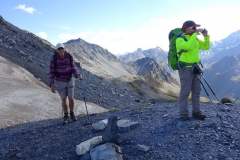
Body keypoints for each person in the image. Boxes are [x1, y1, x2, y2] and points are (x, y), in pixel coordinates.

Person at [176, 20, 210, 120]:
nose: (196, 29)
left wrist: (206, 36)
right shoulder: (180, 39)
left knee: (196, 90)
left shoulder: (194, 38)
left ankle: (196, 112)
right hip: (185, 68)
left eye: (196, 28)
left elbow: (206, 47)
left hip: (196, 68)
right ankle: (184, 113)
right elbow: (188, 46)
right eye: (193, 27)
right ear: (186, 28)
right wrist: (195, 34)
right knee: (185, 91)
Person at [49, 43, 82, 124]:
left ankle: (72, 113)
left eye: (62, 48)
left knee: (71, 98)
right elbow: (52, 71)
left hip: (70, 79)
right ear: (56, 50)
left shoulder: (69, 56)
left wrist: (77, 75)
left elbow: (73, 67)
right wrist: (52, 84)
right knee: (63, 99)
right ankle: (66, 116)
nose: (60, 50)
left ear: (65, 48)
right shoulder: (54, 58)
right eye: (59, 49)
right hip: (60, 80)